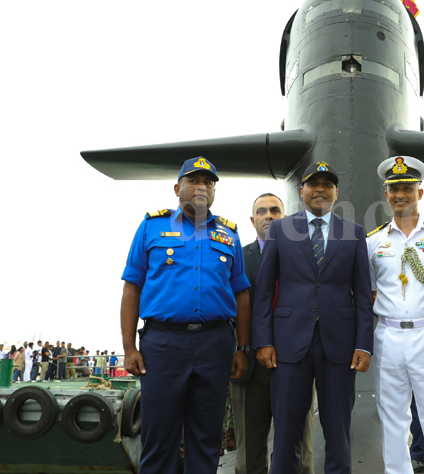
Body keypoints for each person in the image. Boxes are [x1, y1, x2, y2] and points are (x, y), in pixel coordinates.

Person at [120, 156, 251, 474]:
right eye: (194, 180)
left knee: (207, 439)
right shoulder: (152, 226)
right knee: (159, 438)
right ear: (178, 187)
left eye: (208, 182)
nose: (202, 187)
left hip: (216, 344)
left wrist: (241, 348)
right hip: (163, 344)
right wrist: (128, 348)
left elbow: (242, 295)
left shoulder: (229, 234)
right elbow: (131, 289)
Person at [253, 162, 374, 474]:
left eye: (328, 184)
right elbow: (264, 292)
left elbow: (362, 296)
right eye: (313, 184)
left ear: (336, 192)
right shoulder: (280, 229)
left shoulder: (354, 233)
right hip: (289, 343)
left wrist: (364, 345)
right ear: (301, 190)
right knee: (286, 431)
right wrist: (263, 341)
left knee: (338, 430)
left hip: (340, 345)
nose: (321, 189)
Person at [365, 156, 424, 474]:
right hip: (389, 336)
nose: (400, 194)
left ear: (420, 192)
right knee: (392, 420)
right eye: (394, 189)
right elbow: (372, 292)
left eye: (407, 187)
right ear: (386, 194)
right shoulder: (373, 242)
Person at [230, 193, 315, 474]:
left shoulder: (307, 255)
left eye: (275, 210)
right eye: (262, 211)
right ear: (252, 220)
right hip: (250, 365)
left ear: (285, 218)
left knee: (299, 450)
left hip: (296, 361)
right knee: (249, 454)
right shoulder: (237, 258)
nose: (269, 215)